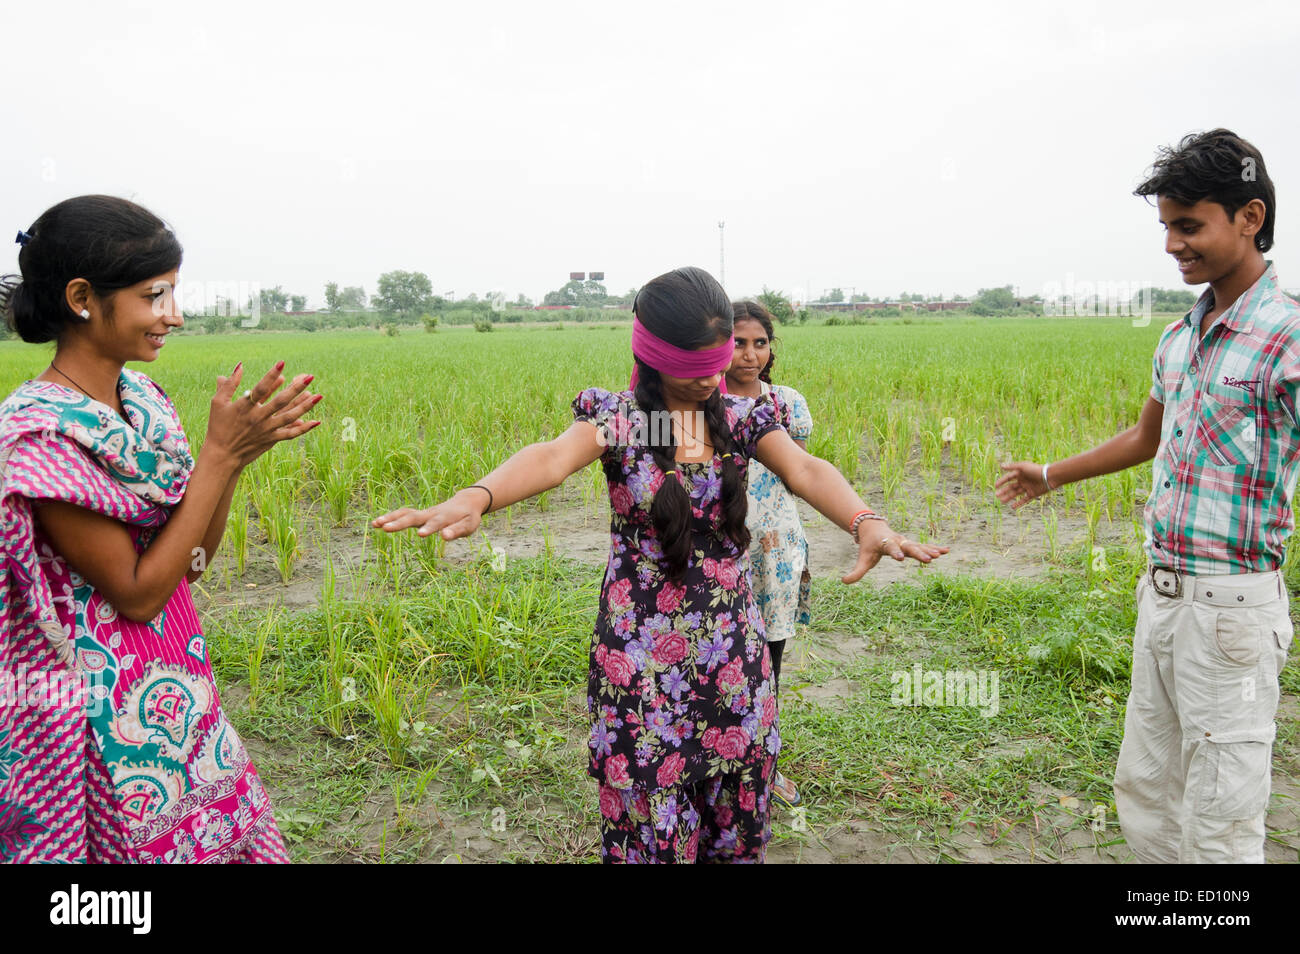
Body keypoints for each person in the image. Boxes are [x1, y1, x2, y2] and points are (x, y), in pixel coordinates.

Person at [374, 265, 947, 863]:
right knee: (650, 801)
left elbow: (806, 469)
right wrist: (478, 496)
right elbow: (549, 458)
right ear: (650, 353)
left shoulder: (742, 417)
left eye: (716, 366)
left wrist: (867, 522)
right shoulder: (621, 419)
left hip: (732, 652)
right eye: (693, 368)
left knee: (731, 793)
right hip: (641, 657)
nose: (709, 382)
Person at [995, 130, 1297, 864]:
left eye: (1188, 225)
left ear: (1249, 217)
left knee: (1221, 816)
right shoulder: (1178, 337)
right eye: (1165, 225)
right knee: (1146, 789)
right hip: (1160, 600)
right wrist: (1052, 472)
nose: (1171, 244)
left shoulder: (1287, 337)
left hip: (1232, 612)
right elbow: (1146, 437)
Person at [0, 195, 321, 863]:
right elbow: (138, 594)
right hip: (101, 718)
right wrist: (218, 456)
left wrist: (232, 463)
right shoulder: (43, 437)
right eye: (154, 295)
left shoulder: (143, 406)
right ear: (84, 297)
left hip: (179, 689)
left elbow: (192, 563)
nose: (172, 314)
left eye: (173, 292)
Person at [725, 300, 812, 809]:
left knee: (768, 664)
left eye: (760, 343)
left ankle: (764, 768)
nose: (750, 354)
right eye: (738, 342)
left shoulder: (787, 404)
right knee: (722, 660)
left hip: (776, 549)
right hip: (720, 552)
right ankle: (718, 765)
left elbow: (801, 473)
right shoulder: (701, 403)